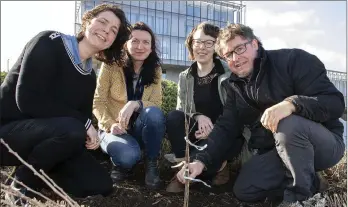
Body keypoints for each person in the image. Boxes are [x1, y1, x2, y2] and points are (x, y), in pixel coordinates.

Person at [176, 23, 345, 206]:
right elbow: (226, 127)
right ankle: (311, 180)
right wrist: (200, 162)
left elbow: (335, 103)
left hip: (324, 144)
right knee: (245, 190)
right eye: (228, 55)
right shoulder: (234, 86)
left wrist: (292, 104)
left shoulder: (293, 61)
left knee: (287, 123)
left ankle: (298, 199)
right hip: (279, 152)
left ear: (255, 44)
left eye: (240, 48)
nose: (236, 58)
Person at [0, 3, 131, 205]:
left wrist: (91, 138)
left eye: (113, 30)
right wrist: (84, 125)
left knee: (100, 184)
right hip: (8, 135)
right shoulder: (49, 42)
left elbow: (83, 117)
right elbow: (27, 99)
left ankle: (40, 173)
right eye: (103, 22)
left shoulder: (89, 76)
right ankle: (21, 185)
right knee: (73, 129)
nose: (107, 30)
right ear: (87, 21)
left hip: (50, 141)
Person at [165, 22, 245, 193]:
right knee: (174, 117)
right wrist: (197, 116)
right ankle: (187, 165)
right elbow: (181, 108)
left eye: (209, 43)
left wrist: (215, 130)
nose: (202, 47)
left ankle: (217, 166)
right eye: (197, 42)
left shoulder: (229, 74)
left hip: (225, 135)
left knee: (208, 170)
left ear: (217, 46)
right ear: (191, 44)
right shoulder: (184, 76)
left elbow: (236, 115)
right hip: (197, 135)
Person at [93, 22, 165, 190]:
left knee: (154, 114)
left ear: (152, 47)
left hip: (138, 128)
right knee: (127, 156)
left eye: (146, 42)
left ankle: (151, 163)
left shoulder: (155, 70)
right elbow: (98, 101)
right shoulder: (110, 65)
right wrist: (111, 124)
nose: (140, 46)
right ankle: (122, 163)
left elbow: (156, 103)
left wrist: (135, 104)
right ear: (126, 43)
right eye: (134, 41)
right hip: (114, 129)